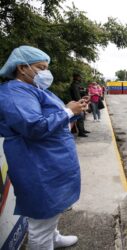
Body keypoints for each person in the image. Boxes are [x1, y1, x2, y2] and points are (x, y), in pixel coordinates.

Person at [0, 45, 86, 249]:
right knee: (41, 219)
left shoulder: (34, 89)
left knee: (51, 211)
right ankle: (45, 241)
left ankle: (53, 237)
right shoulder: (15, 92)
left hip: (50, 160)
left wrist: (72, 111)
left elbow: (52, 119)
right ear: (22, 68)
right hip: (38, 163)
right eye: (41, 67)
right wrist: (67, 111)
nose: (46, 73)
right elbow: (33, 126)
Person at [70, 72, 90, 137]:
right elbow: (76, 96)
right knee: (80, 118)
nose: (80, 78)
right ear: (76, 77)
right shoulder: (74, 85)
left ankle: (83, 130)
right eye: (79, 77)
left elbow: (81, 92)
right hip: (77, 103)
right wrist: (81, 103)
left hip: (80, 102)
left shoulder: (78, 84)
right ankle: (80, 132)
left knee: (82, 117)